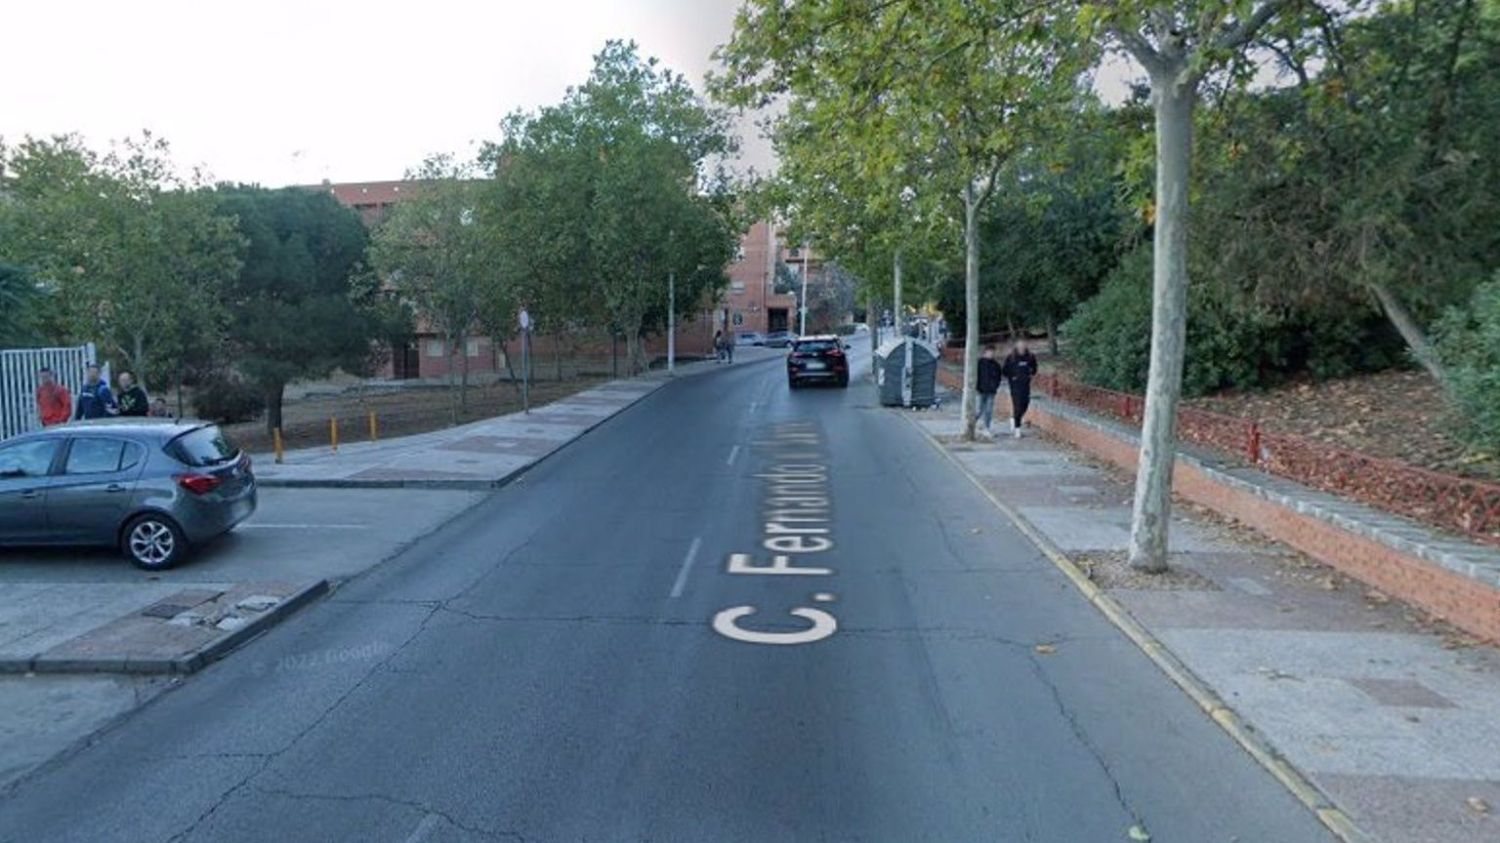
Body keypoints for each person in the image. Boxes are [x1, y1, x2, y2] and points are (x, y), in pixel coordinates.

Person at [1002, 339, 1040, 438]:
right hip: (1015, 385)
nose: (1022, 348)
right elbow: (1005, 370)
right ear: (1017, 347)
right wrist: (1012, 377)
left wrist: (1031, 374)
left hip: (1025, 384)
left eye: (1023, 346)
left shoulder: (1030, 357)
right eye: (1020, 346)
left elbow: (1034, 368)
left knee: (1025, 403)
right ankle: (1017, 428)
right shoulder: (1011, 357)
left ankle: (1014, 418)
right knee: (1017, 404)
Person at [974, 345, 1003, 438]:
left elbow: (999, 376)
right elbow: (975, 375)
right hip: (980, 390)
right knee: (979, 409)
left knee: (988, 410)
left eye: (993, 352)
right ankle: (972, 424)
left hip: (991, 391)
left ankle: (987, 427)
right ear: (985, 352)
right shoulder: (979, 363)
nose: (991, 354)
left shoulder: (996, 365)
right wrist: (977, 387)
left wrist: (995, 386)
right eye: (990, 352)